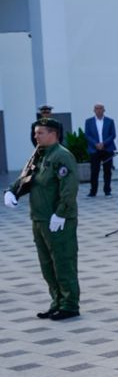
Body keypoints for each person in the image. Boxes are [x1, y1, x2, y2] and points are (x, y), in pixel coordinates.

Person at [6, 118, 79, 320]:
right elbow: (27, 178)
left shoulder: (62, 156)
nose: (35, 136)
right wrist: (12, 191)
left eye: (40, 133)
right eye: (35, 133)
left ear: (53, 134)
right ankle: (57, 301)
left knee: (63, 262)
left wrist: (61, 213)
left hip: (57, 219)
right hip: (39, 218)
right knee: (47, 264)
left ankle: (70, 304)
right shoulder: (39, 155)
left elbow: (69, 188)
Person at [83, 103, 116, 197]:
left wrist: (103, 143)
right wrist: (96, 144)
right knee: (94, 171)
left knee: (107, 171)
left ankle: (107, 190)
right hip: (94, 149)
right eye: (96, 109)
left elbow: (113, 135)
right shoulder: (89, 121)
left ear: (104, 110)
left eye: (100, 108)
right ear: (94, 110)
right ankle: (93, 191)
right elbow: (87, 135)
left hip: (107, 148)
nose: (98, 110)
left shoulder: (110, 121)